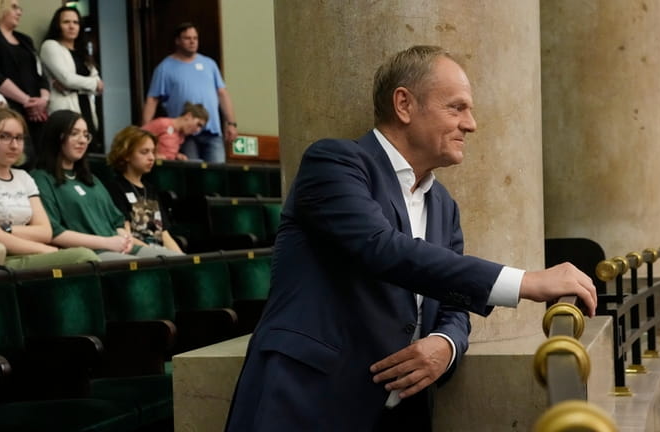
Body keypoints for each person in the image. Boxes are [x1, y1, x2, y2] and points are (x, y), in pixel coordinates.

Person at [223, 45, 597, 431]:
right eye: (456, 108)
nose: (471, 124)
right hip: (306, 403)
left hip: (401, 413)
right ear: (404, 104)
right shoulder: (333, 162)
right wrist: (525, 282)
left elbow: (453, 303)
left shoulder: (444, 204)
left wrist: (445, 346)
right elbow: (382, 248)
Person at [30, 110, 180, 260]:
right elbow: (54, 232)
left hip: (121, 247)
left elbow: (117, 221)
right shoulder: (41, 178)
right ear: (56, 136)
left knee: (180, 262)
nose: (82, 140)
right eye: (74, 133)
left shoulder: (91, 179)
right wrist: (107, 242)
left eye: (85, 135)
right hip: (91, 253)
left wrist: (125, 239)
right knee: (145, 269)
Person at [0, 106, 98, 269]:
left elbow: (45, 232)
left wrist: (7, 230)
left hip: (30, 254)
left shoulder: (24, 178)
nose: (14, 145)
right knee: (83, 256)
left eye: (19, 138)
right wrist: (47, 250)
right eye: (4, 137)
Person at [141, 22, 238, 163]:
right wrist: (145, 132)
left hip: (212, 131)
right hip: (184, 134)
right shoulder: (165, 68)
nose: (192, 42)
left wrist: (231, 124)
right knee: (192, 173)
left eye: (195, 38)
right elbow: (152, 100)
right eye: (187, 38)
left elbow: (222, 94)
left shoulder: (209, 64)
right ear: (178, 41)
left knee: (218, 174)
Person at [0, 0, 50, 166]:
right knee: (22, 160)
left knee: (43, 160)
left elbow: (41, 74)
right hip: (8, 109)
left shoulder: (25, 40)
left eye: (19, 8)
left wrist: (43, 99)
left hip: (37, 113)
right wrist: (26, 100)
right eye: (14, 7)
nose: (19, 12)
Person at [106, 125, 183, 254]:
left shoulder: (150, 189)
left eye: (153, 152)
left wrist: (182, 258)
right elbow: (125, 234)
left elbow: (164, 234)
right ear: (126, 155)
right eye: (144, 152)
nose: (152, 157)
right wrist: (159, 255)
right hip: (136, 253)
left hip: (159, 253)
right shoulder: (115, 188)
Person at [40, 6, 103, 153]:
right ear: (57, 25)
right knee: (66, 153)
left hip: (86, 106)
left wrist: (78, 85)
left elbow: (99, 85)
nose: (71, 26)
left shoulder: (82, 52)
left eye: (76, 22)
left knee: (89, 152)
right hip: (64, 109)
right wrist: (91, 84)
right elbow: (67, 79)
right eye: (66, 22)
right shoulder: (50, 46)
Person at [141, 101, 208, 160]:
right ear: (188, 116)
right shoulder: (162, 123)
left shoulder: (181, 135)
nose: (198, 130)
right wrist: (152, 155)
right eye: (198, 124)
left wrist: (177, 155)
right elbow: (138, 137)